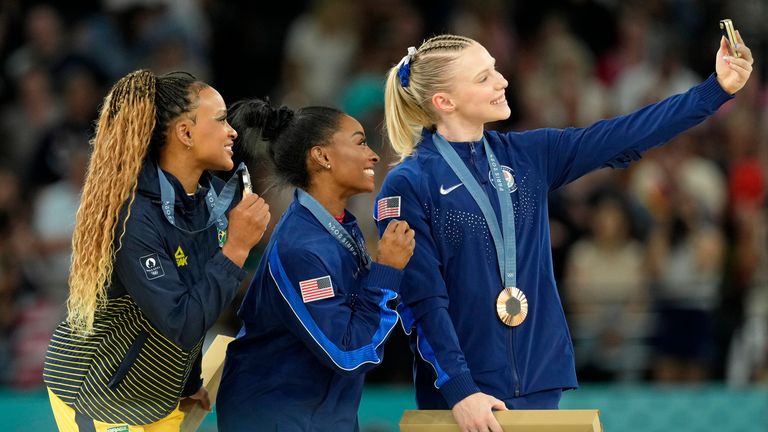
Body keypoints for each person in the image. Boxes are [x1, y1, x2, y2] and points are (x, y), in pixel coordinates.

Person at [377, 32, 753, 432]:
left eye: (496, 70)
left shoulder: (529, 156)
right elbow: (422, 301)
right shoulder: (410, 183)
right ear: (444, 101)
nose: (502, 81)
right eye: (484, 77)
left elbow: (626, 134)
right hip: (462, 396)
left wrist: (716, 90)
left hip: (540, 381)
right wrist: (461, 389)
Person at [43, 70, 271, 431]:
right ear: (185, 133)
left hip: (156, 394)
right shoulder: (134, 216)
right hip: (99, 396)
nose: (232, 132)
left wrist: (188, 382)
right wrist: (238, 248)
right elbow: (180, 322)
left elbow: (196, 296)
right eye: (221, 119)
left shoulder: (207, 198)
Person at [216, 98, 415, 431]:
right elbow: (346, 352)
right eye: (360, 142)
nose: (374, 155)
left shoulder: (337, 228)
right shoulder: (301, 247)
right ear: (322, 156)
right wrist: (387, 272)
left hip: (320, 416)